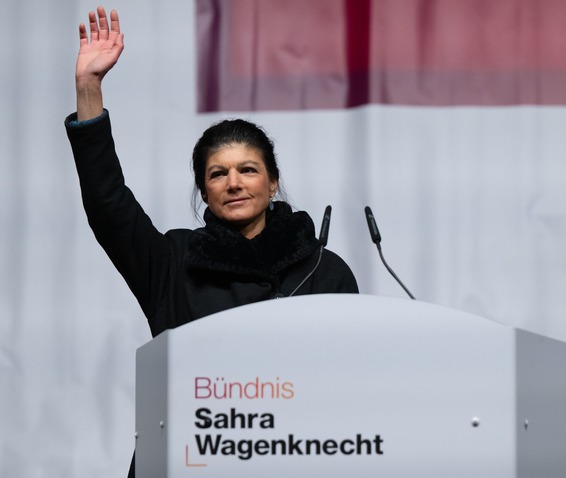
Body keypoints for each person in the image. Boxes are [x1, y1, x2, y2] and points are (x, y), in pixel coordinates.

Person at [64, 7, 358, 477]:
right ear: (204, 192)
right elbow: (108, 205)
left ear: (273, 182)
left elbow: (351, 384)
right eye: (218, 174)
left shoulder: (323, 269)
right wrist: (88, 88)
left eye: (248, 170)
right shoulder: (174, 260)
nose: (234, 183)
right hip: (186, 460)